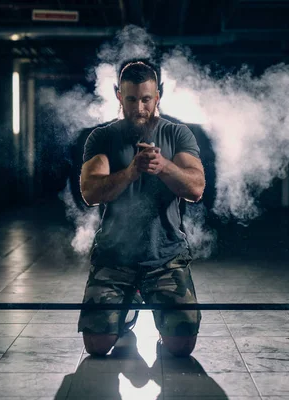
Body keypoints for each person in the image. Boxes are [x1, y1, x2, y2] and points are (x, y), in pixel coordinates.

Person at [77, 60, 206, 357]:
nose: (139, 108)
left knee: (181, 347)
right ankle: (127, 313)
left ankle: (149, 309)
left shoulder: (178, 134)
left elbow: (196, 188)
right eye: (131, 99)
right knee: (96, 346)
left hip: (165, 257)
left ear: (157, 96)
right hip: (114, 258)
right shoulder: (102, 137)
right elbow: (90, 193)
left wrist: (163, 167)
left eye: (146, 99)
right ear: (119, 97)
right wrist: (132, 172)